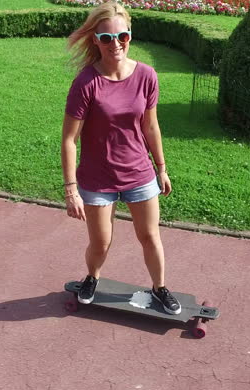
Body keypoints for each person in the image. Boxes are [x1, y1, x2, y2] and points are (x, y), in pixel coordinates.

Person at [61, 1, 181, 314]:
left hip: (139, 172)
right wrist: (71, 188)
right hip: (97, 178)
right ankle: (92, 277)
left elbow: (151, 126)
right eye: (107, 38)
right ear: (95, 40)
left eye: (122, 37)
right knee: (101, 242)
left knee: (150, 235)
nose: (116, 44)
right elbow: (69, 139)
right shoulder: (86, 83)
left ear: (130, 35)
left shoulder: (146, 76)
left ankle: (160, 288)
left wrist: (162, 169)